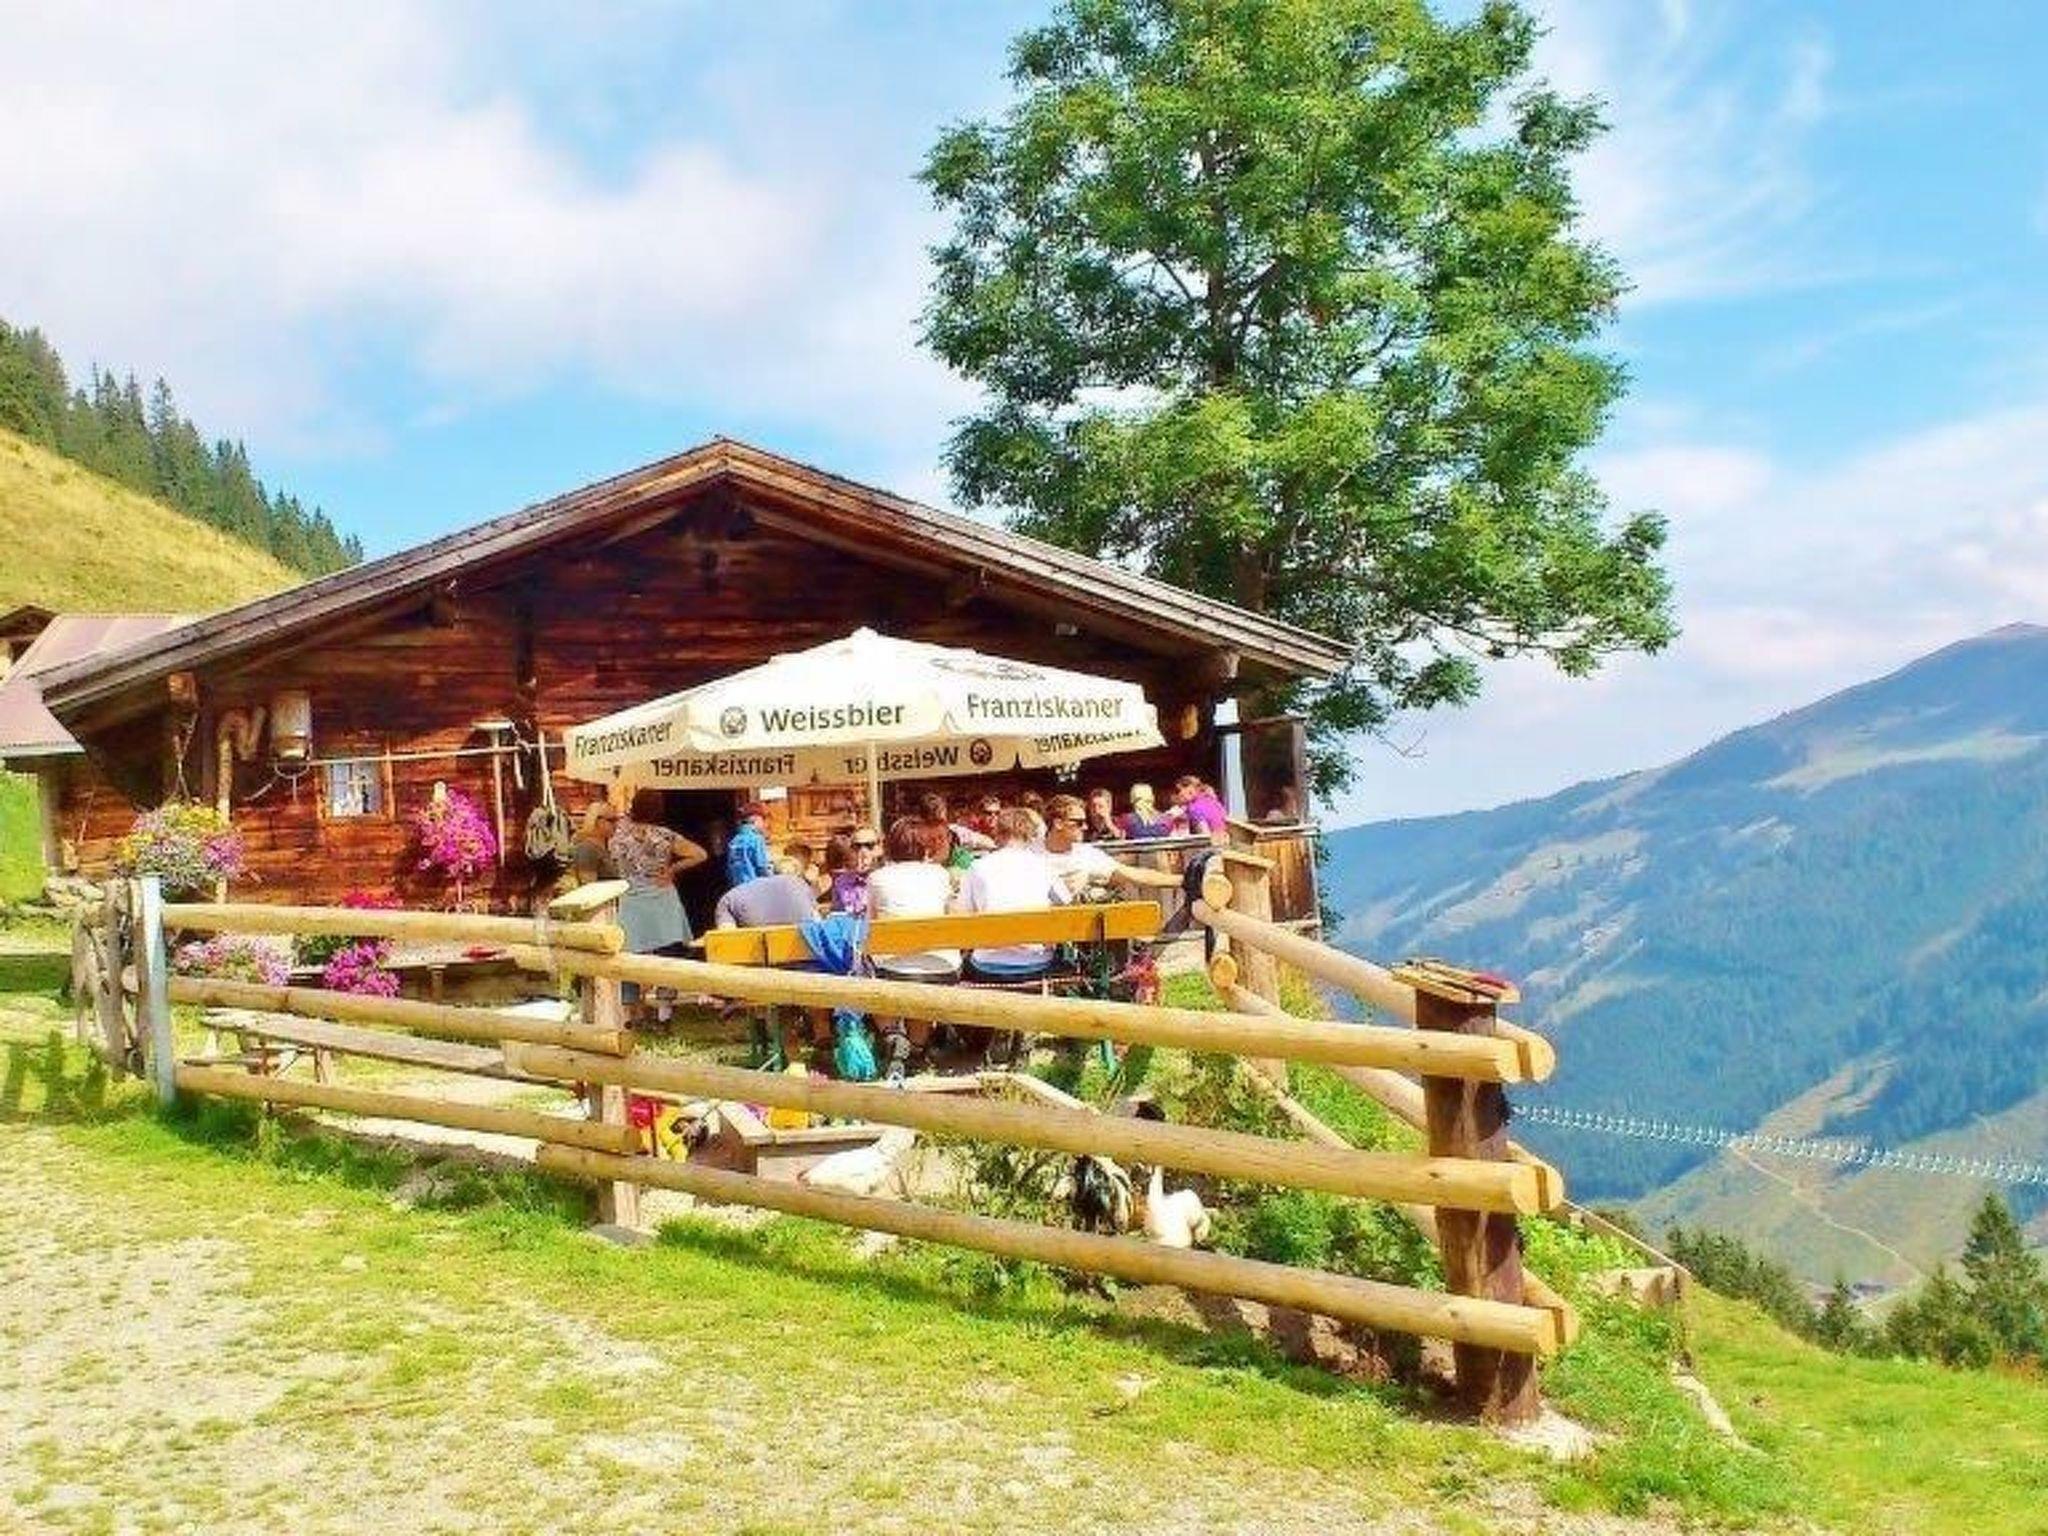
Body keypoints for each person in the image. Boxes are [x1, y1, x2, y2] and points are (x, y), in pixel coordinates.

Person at [865, 815, 961, 1077]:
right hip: (942, 967)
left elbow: (871, 925)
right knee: (921, 976)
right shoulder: (940, 874)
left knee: (864, 972)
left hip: (894, 969)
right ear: (924, 846)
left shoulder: (877, 878)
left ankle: (892, 1034)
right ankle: (917, 1048)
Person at [951, 806, 1064, 977]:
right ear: (1029, 835)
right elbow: (1064, 902)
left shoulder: (977, 866)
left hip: (988, 963)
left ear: (998, 833)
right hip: (1037, 961)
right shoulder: (1043, 865)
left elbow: (963, 914)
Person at [1042, 794, 1184, 899]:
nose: (1085, 827)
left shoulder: (1087, 855)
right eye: (1079, 823)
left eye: (1085, 822)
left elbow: (1134, 875)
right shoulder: (1030, 854)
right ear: (1058, 824)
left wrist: (1182, 880)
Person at [713, 867, 823, 930]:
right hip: (803, 956)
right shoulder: (801, 885)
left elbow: (727, 939)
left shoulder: (730, 898)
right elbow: (819, 925)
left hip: (754, 959)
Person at [823, 828, 876, 917]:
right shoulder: (841, 882)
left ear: (879, 848)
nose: (863, 852)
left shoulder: (886, 880)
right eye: (857, 846)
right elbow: (837, 916)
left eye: (869, 846)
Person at [566, 802, 620, 887]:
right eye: (612, 820)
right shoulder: (587, 850)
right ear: (598, 821)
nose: (616, 825)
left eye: (617, 820)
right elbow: (588, 886)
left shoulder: (604, 847)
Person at [726, 801, 774, 887]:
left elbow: (730, 871)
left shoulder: (734, 841)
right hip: (754, 887)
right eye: (763, 820)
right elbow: (762, 867)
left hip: (738, 888)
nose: (764, 825)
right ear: (756, 819)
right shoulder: (756, 839)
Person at [1168, 775, 1229, 839]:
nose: (1178, 795)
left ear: (1190, 790)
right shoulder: (1213, 800)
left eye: (1178, 791)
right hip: (1225, 838)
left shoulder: (1193, 808)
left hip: (1215, 840)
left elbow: (1204, 835)